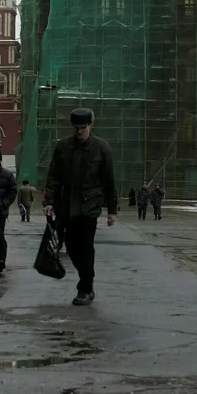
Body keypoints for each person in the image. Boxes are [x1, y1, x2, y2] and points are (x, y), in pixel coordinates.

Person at [43, 108, 117, 306]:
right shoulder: (63, 147)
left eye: (83, 128)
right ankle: (86, 280)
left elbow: (109, 182)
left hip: (89, 206)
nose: (79, 132)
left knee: (85, 247)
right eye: (76, 128)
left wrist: (112, 211)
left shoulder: (102, 149)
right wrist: (49, 201)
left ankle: (85, 287)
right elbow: (53, 177)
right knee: (71, 247)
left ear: (90, 126)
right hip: (66, 204)